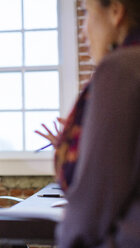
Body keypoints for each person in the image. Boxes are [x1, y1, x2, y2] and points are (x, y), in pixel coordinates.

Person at [54, 0, 140, 247]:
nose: (83, 32)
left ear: (115, 11)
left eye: (86, 14)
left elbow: (91, 207)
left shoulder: (121, 69)